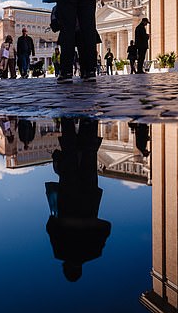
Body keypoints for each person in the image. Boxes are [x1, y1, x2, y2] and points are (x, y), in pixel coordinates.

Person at [45, 118, 111, 281]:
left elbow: (106, 227)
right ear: (66, 268)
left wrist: (88, 222)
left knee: (88, 155)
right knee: (69, 155)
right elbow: (51, 225)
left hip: (89, 196)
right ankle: (67, 119)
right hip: (67, 195)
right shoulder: (59, 252)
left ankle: (89, 120)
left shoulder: (94, 253)